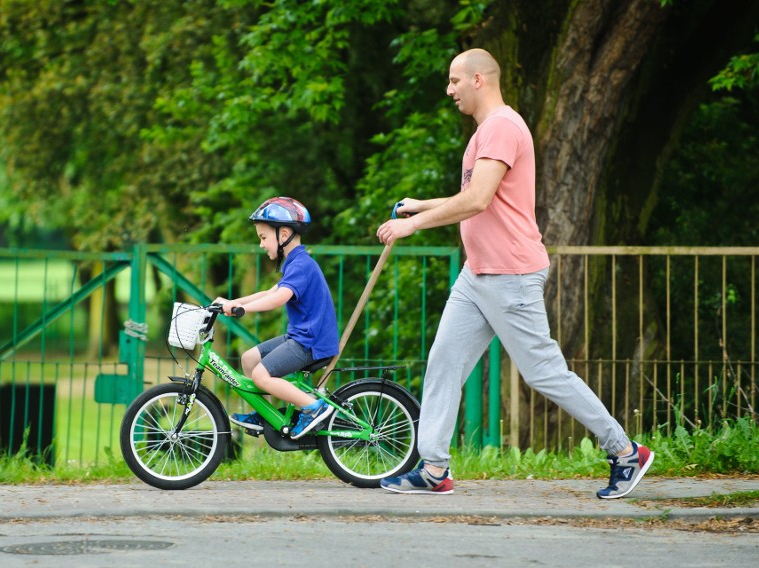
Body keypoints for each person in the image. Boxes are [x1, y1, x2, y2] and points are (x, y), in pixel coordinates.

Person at [375, 49, 653, 498]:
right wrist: (423, 204)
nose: (449, 90)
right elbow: (475, 195)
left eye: (454, 81)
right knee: (443, 362)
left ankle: (625, 451)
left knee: (544, 372)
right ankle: (433, 469)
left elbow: (478, 200)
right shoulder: (487, 131)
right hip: (478, 275)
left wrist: (413, 224)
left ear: (479, 79)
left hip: (511, 275)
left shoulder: (502, 127)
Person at [217, 196, 339, 440]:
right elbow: (269, 292)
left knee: (261, 375)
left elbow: (279, 298)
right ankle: (267, 414)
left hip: (310, 342)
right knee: (249, 359)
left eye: (263, 238)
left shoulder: (302, 265)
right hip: (300, 336)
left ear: (283, 235)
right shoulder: (294, 263)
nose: (261, 244)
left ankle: (314, 407)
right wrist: (233, 303)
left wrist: (243, 311)